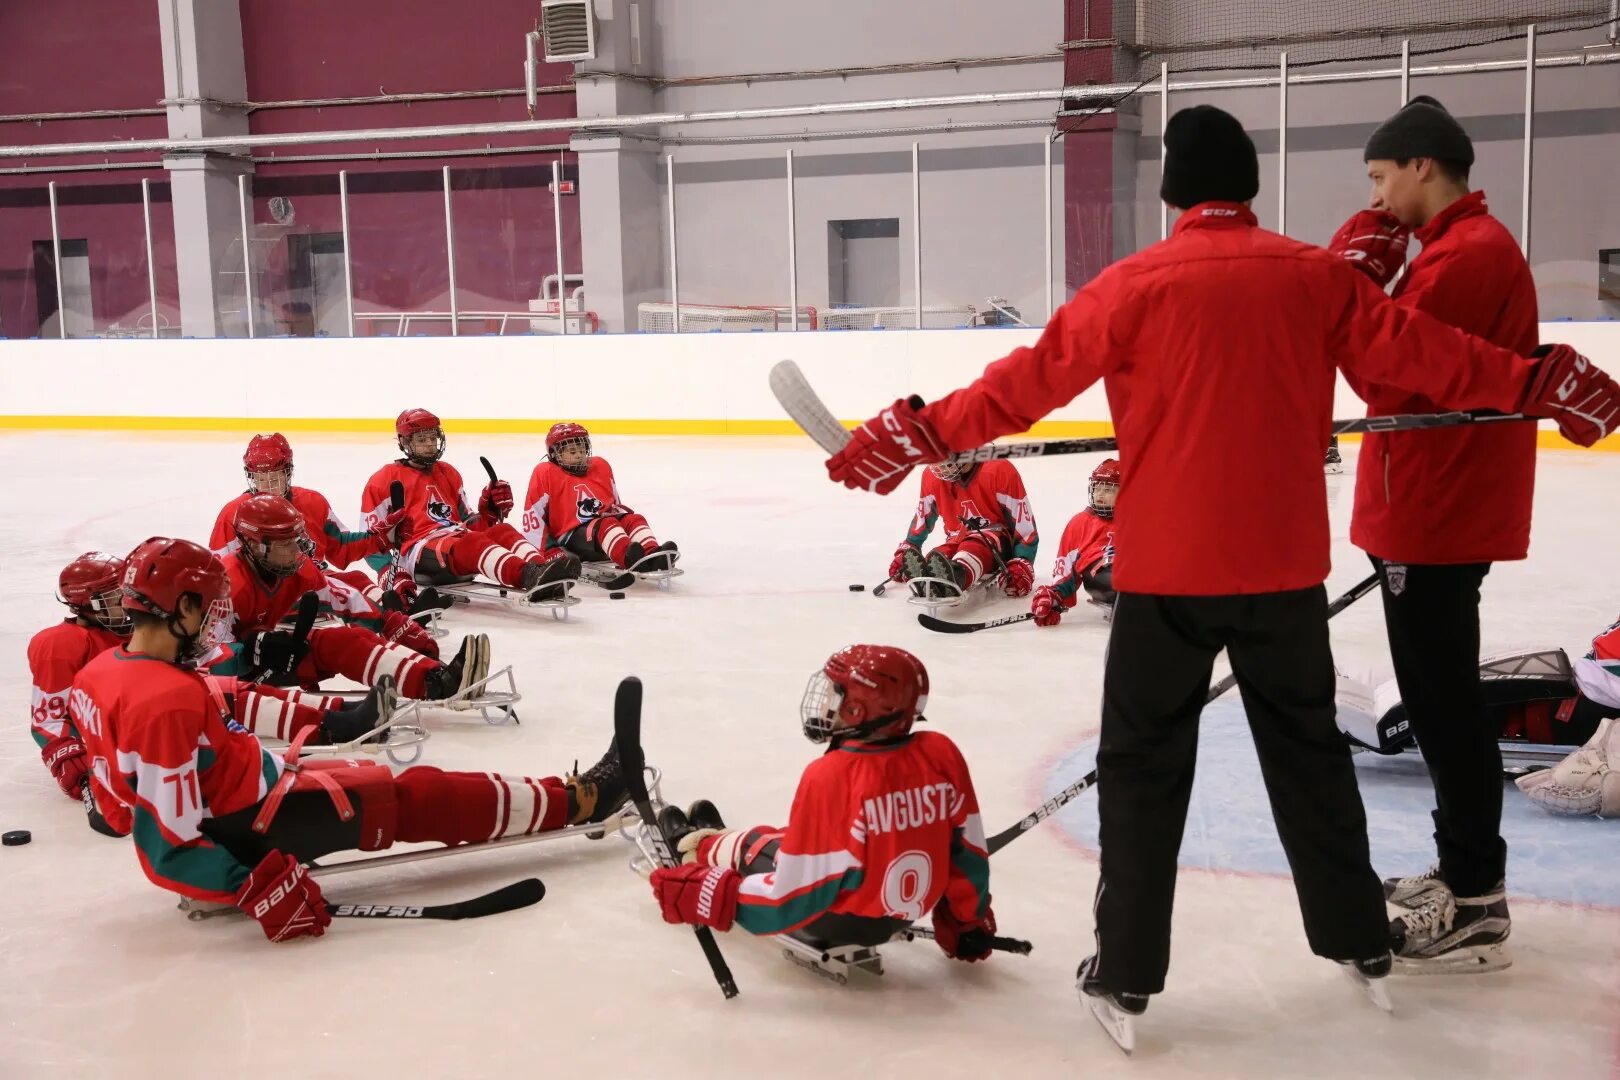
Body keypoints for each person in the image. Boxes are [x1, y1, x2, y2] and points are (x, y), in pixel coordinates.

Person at [818, 104, 1618, 1039]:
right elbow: (1436, 362)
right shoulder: (1318, 277)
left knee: (1144, 770)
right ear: (1250, 188)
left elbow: (1023, 383)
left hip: (1166, 578)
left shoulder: (1134, 282)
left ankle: (1125, 970)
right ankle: (1360, 936)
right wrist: (1544, 378)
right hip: (1281, 574)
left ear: (1172, 196)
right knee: (1311, 761)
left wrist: (915, 433)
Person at [70, 537, 628, 941]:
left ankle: (352, 724)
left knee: (389, 780)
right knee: (414, 797)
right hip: (254, 824)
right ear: (183, 607)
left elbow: (120, 808)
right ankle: (579, 800)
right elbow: (166, 843)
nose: (218, 622)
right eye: (210, 609)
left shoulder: (100, 675)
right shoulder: (164, 700)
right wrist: (247, 884)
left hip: (255, 792)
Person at [1329, 96, 1565, 972]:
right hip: (1426, 506)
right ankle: (1464, 875)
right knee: (1438, 702)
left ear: (1424, 166)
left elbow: (1384, 373)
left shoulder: (1467, 255)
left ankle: (1475, 897)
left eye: (1382, 178)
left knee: (1444, 708)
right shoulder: (1452, 251)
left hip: (1436, 511)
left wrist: (1352, 287)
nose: (1379, 197)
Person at [646, 645, 996, 964]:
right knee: (791, 836)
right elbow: (968, 851)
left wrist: (715, 896)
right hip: (901, 912)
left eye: (837, 695)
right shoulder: (940, 754)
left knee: (761, 847)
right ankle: (717, 841)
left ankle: (696, 845)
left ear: (858, 708)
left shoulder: (831, 774)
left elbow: (794, 898)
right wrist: (968, 921)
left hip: (836, 920)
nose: (828, 704)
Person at [28, 552, 392, 826]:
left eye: (122, 594)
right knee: (217, 695)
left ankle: (336, 717)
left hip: (147, 716)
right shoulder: (61, 643)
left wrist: (252, 649)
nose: (123, 606)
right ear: (83, 605)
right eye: (110, 600)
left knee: (226, 689)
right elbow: (47, 717)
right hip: (123, 740)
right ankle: (331, 723)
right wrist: (74, 763)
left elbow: (197, 659)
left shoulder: (134, 630)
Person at [217, 495, 486, 702]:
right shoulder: (224, 587)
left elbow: (347, 600)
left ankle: (433, 679)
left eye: (296, 540)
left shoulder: (296, 572)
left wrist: (396, 625)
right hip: (231, 679)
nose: (296, 550)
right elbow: (204, 662)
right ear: (254, 545)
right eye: (285, 543)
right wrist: (252, 652)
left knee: (344, 640)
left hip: (271, 654)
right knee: (332, 644)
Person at [360, 408, 579, 602]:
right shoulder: (384, 479)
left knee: (501, 531)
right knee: (472, 542)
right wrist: (390, 574)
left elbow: (469, 522)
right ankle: (528, 576)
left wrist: (489, 506)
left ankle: (543, 569)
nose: (429, 445)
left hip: (456, 543)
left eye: (432, 438)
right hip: (418, 552)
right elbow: (368, 542)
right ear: (404, 442)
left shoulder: (448, 472)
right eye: (421, 439)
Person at [522, 423, 679, 572]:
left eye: (582, 450)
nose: (579, 455)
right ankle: (630, 558)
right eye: (572, 451)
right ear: (555, 454)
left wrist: (623, 520)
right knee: (607, 524)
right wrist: (548, 551)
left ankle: (653, 555)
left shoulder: (600, 465)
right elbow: (533, 516)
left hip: (605, 535)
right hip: (571, 536)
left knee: (635, 519)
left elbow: (616, 503)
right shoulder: (545, 472)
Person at [888, 458, 1037, 601]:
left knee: (971, 547)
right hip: (956, 538)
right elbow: (923, 515)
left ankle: (956, 577)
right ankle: (929, 579)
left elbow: (1023, 522)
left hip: (996, 539)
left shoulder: (998, 469)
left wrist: (1022, 562)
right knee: (940, 554)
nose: (941, 467)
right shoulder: (931, 476)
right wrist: (910, 545)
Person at [1031, 458, 1119, 627]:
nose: (1100, 494)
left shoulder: (1138, 519)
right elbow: (1065, 567)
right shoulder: (1080, 522)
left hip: (1132, 567)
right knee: (1121, 582)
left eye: (1108, 489)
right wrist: (1055, 595)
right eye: (1097, 487)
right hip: (1100, 570)